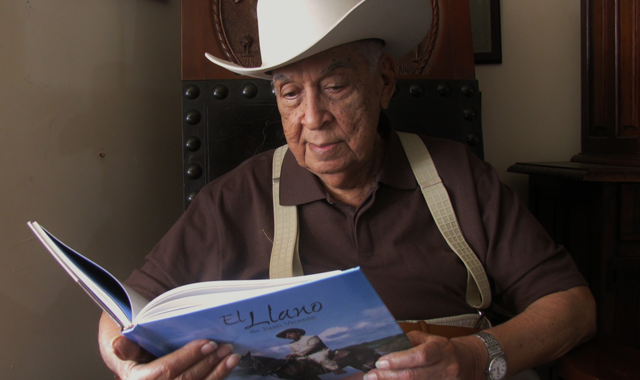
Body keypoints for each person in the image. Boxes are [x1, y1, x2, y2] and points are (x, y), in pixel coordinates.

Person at [98, 1, 596, 379]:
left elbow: (572, 306)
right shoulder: (238, 196)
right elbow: (126, 309)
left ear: (383, 81)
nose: (312, 119)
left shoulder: (458, 176)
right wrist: (131, 369)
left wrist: (472, 357)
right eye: (290, 92)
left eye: (335, 87)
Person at [277, 328, 346, 375]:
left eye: (290, 333)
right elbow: (293, 351)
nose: (288, 336)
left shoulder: (311, 337)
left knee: (321, 358)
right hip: (305, 356)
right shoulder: (291, 344)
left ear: (298, 333)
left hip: (319, 352)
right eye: (286, 335)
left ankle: (336, 369)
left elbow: (312, 347)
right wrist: (290, 355)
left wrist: (296, 354)